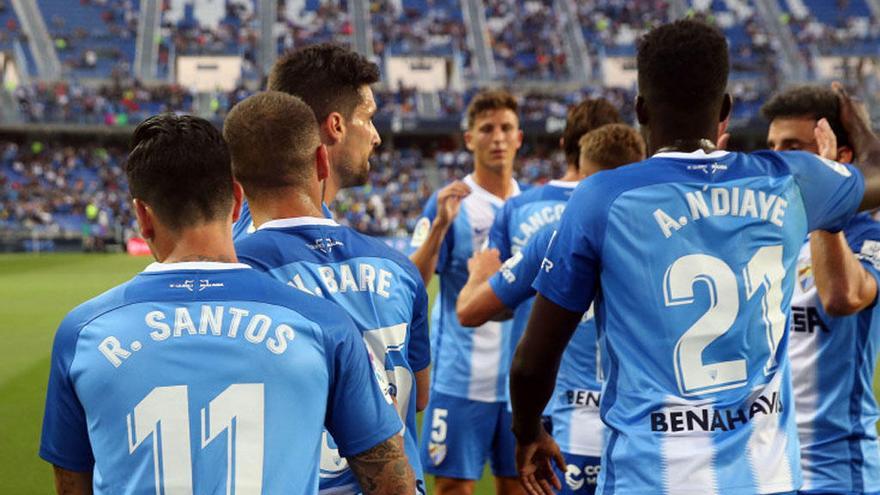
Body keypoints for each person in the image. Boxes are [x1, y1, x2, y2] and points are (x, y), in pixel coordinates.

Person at [510, 19, 880, 495]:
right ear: (725, 108)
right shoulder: (790, 181)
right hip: (766, 479)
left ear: (641, 109)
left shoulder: (602, 198)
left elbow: (532, 363)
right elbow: (874, 173)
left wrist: (528, 433)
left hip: (649, 476)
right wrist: (862, 131)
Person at [39, 114, 414, 495]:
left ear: (142, 216)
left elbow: (71, 486)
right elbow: (391, 484)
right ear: (237, 201)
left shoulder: (83, 333)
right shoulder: (323, 326)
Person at [224, 92, 430, 495]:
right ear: (322, 161)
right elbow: (419, 398)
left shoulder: (233, 277)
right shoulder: (400, 268)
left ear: (236, 189)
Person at [457, 124, 645, 495]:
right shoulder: (671, 237)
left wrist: (478, 275)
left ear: (583, 174)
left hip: (577, 433)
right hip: (652, 439)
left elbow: (470, 311)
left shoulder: (556, 236)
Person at [763, 85, 880, 495]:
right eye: (773, 146)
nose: (779, 159)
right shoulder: (762, 237)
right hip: (764, 471)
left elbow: (842, 297)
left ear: (839, 156)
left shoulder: (868, 237)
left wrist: (826, 197)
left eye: (793, 147)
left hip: (837, 474)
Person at [410, 89, 523, 495]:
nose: (497, 137)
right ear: (469, 138)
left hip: (521, 383)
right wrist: (439, 227)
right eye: (486, 128)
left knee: (522, 486)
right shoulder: (452, 203)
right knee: (453, 488)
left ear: (519, 138)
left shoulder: (532, 207)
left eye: (505, 128)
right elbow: (413, 283)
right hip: (460, 378)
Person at [233, 43, 381, 238]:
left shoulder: (247, 216)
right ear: (336, 126)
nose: (376, 137)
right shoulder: (305, 248)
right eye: (368, 119)